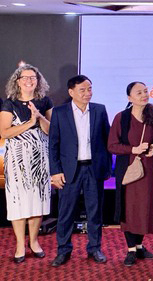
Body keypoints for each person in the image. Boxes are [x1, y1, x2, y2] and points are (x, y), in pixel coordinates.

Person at [49, 75, 111, 267]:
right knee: (66, 212)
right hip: (69, 170)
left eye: (90, 89)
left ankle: (94, 248)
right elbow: (53, 145)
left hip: (93, 168)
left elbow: (107, 140)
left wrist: (107, 167)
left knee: (95, 212)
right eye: (83, 90)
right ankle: (63, 250)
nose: (87, 93)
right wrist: (55, 171)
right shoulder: (60, 112)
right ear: (71, 92)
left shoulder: (99, 110)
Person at [0, 64, 52, 263]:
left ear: (38, 81)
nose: (29, 80)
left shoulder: (44, 101)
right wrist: (29, 123)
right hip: (17, 161)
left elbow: (52, 131)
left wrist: (39, 118)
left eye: (33, 77)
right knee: (18, 203)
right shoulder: (9, 103)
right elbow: (4, 133)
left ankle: (34, 241)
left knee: (37, 201)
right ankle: (20, 244)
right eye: (25, 77)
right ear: (17, 81)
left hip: (40, 159)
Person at [108, 81, 153, 267]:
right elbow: (112, 146)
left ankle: (139, 245)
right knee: (129, 208)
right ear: (129, 98)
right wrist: (133, 149)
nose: (144, 95)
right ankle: (130, 249)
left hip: (149, 169)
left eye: (145, 91)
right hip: (129, 170)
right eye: (139, 92)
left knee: (145, 208)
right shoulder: (121, 118)